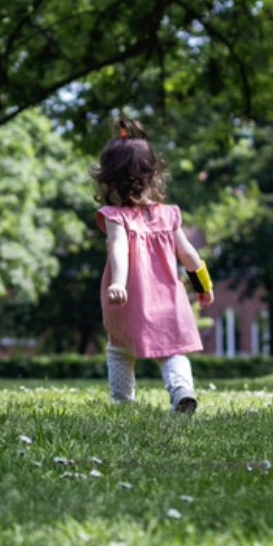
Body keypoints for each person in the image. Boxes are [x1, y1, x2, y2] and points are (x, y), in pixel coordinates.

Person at [92, 119, 214, 415]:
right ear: (152, 175)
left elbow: (117, 247)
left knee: (120, 349)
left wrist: (118, 282)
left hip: (130, 298)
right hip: (167, 299)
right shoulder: (169, 215)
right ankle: (182, 391)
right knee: (172, 352)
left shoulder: (114, 216)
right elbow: (189, 255)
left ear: (107, 179)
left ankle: (122, 402)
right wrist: (203, 286)